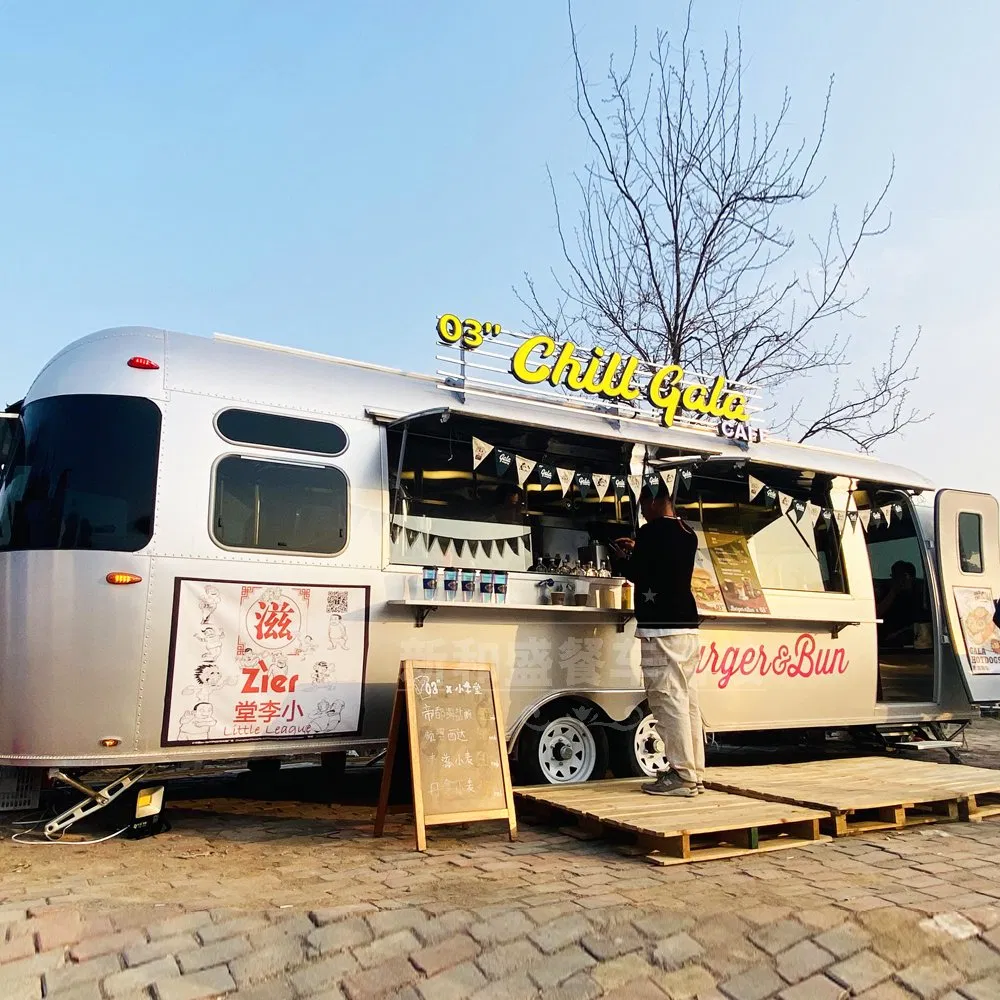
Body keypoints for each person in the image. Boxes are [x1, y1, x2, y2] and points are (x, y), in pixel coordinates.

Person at [613, 486, 704, 797]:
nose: (641, 511)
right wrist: (640, 549)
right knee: (687, 699)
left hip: (661, 627)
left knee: (666, 699)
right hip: (688, 625)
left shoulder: (651, 533)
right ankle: (695, 770)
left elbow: (640, 572)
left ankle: (681, 774)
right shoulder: (687, 532)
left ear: (653, 501)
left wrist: (625, 557)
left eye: (643, 503)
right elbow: (663, 566)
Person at [877, 560, 923, 647]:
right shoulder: (887, 593)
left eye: (898, 576)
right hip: (888, 644)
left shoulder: (922, 595)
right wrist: (893, 592)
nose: (894, 580)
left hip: (916, 643)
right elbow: (876, 614)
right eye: (893, 576)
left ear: (908, 577)